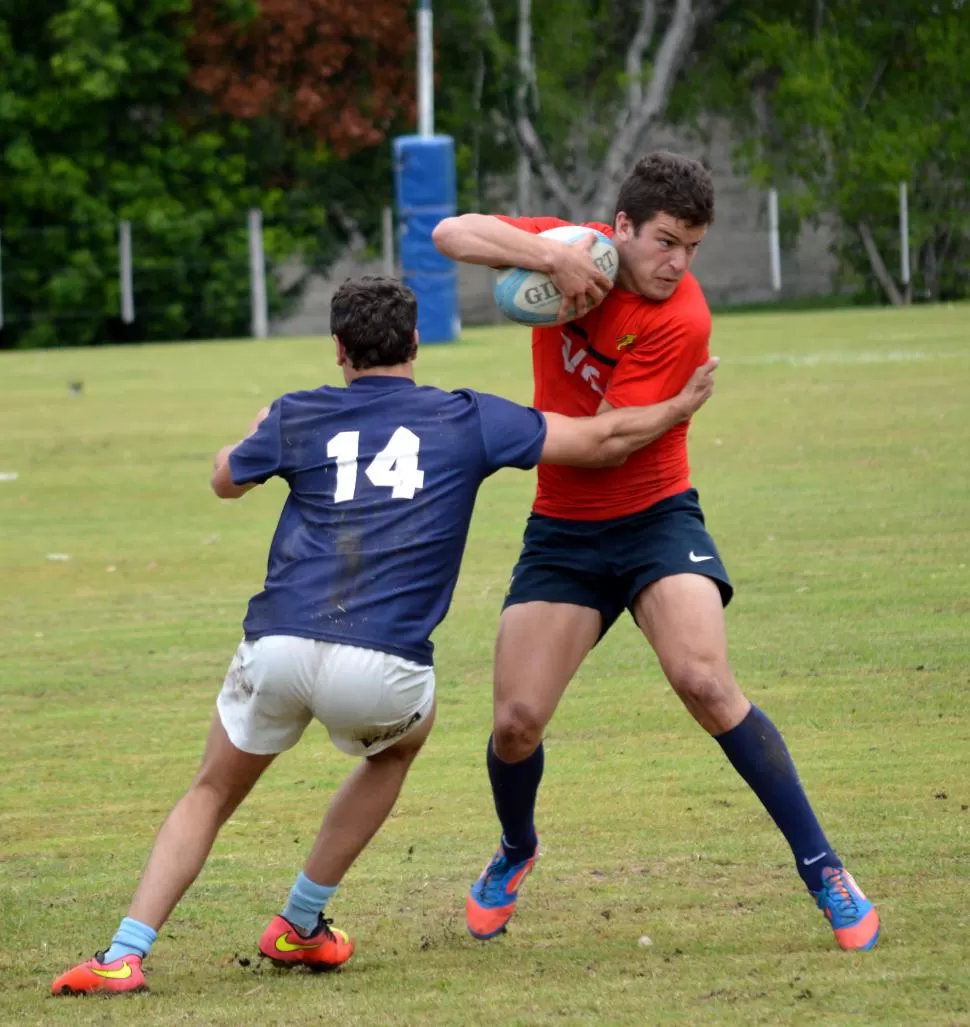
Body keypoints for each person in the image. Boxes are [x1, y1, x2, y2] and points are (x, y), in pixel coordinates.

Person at [51, 275, 719, 996]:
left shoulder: (296, 413)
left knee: (211, 790)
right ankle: (301, 922)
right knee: (399, 742)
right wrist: (678, 406)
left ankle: (124, 952)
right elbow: (602, 438)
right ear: (417, 343)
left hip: (277, 644)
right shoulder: (467, 417)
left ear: (338, 349)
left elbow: (223, 480)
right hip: (381, 667)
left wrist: (253, 432)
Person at [432, 150, 880, 952]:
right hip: (563, 533)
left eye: (694, 248)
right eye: (667, 242)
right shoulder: (578, 248)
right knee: (515, 723)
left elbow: (606, 443)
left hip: (655, 517)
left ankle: (826, 870)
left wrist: (669, 407)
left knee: (706, 681)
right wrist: (548, 255)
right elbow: (450, 231)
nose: (680, 263)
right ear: (623, 226)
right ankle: (516, 849)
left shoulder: (683, 319)